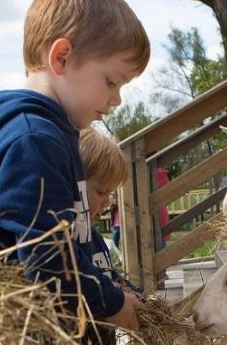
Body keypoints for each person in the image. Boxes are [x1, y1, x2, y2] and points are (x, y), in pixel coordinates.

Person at [0, 0, 150, 335]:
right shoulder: (33, 141)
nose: (116, 100)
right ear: (62, 57)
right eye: (112, 82)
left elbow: (71, 244)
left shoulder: (53, 134)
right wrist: (113, 305)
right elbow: (49, 263)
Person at [79, 127, 140, 344]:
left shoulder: (93, 237)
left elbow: (108, 274)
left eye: (110, 194)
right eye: (101, 192)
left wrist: (138, 296)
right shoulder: (69, 243)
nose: (107, 203)